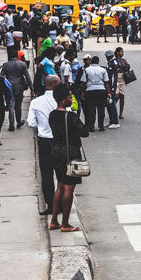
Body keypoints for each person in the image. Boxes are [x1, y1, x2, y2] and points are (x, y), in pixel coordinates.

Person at [48, 84, 88, 232]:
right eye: (70, 98)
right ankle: (65, 223)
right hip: (71, 153)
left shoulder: (52, 115)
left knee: (59, 186)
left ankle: (54, 221)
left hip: (56, 152)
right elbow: (84, 132)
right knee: (69, 189)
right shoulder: (71, 116)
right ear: (63, 100)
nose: (72, 100)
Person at [28, 75, 61, 215]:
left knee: (46, 175)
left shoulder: (36, 102)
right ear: (53, 85)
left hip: (45, 142)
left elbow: (31, 122)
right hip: (60, 141)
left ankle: (50, 204)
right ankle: (61, 204)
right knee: (62, 175)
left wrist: (43, 126)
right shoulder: (61, 100)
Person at [1, 53, 32, 131]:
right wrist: (32, 88)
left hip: (9, 87)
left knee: (11, 105)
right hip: (19, 87)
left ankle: (11, 124)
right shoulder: (22, 64)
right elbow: (27, 77)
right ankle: (19, 121)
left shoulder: (5, 65)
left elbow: (1, 77)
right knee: (18, 105)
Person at [81, 55, 112, 132]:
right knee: (101, 109)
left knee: (91, 109)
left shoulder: (87, 70)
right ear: (98, 62)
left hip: (90, 91)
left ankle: (91, 126)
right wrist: (108, 92)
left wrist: (82, 92)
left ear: (91, 61)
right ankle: (101, 126)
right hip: (101, 90)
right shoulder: (103, 70)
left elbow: (84, 82)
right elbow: (106, 82)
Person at [112, 47, 130, 119]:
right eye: (121, 52)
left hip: (123, 79)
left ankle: (120, 113)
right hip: (116, 79)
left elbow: (127, 69)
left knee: (122, 96)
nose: (123, 53)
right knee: (116, 96)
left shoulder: (124, 60)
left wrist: (127, 65)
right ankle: (113, 109)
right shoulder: (113, 61)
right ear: (117, 53)